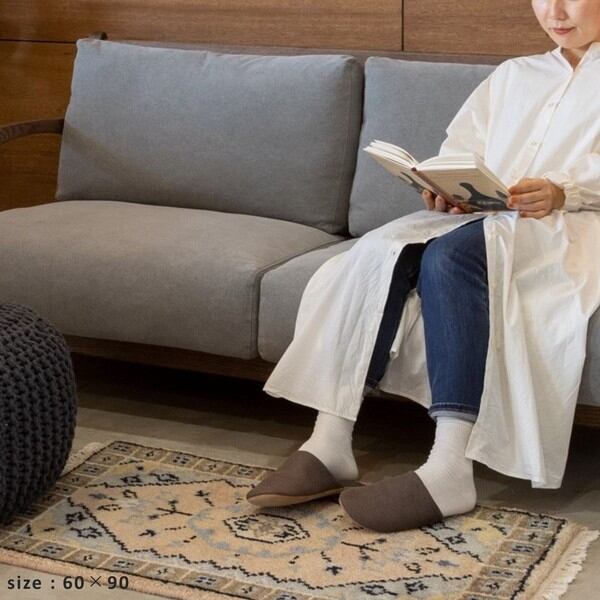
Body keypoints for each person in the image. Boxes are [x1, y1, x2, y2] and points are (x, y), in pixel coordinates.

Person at [246, 0, 600, 533]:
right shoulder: (514, 75)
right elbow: (462, 149)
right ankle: (330, 442)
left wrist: (563, 190)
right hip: (489, 219)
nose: (554, 11)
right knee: (380, 251)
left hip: (572, 228)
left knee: (449, 256)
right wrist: (446, 188)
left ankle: (450, 466)